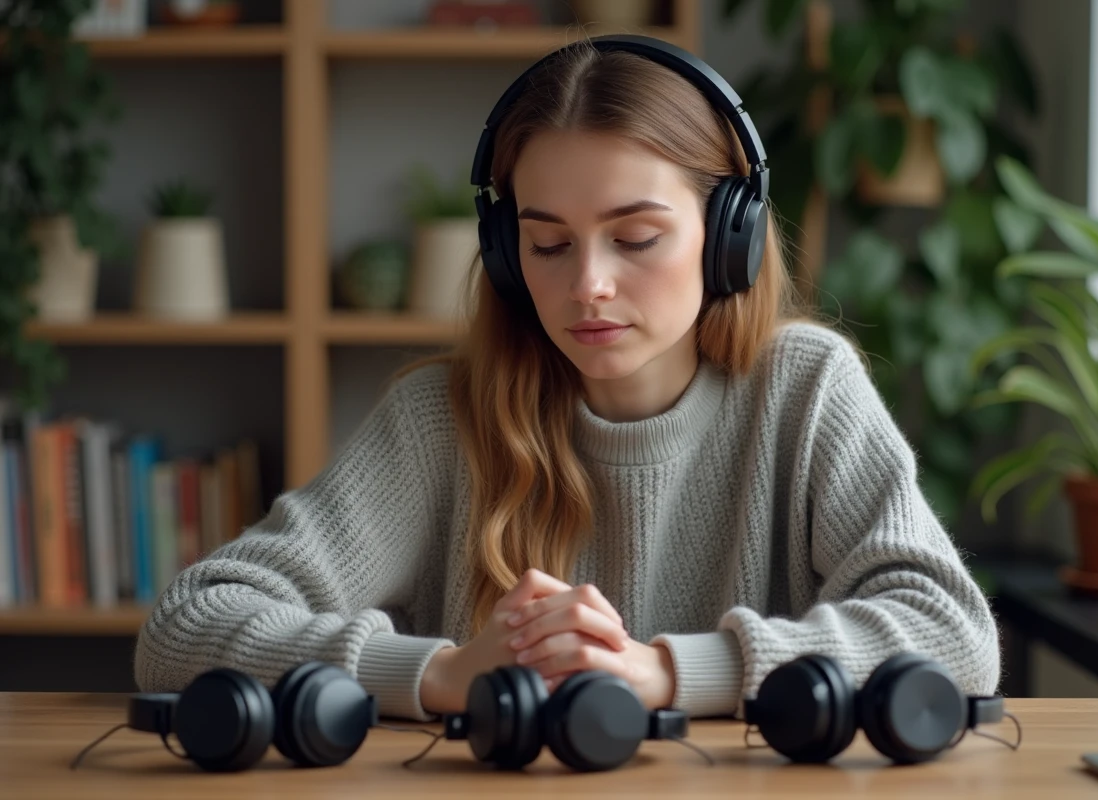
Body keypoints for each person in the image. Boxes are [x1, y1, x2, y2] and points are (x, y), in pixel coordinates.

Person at [134, 36, 1000, 723]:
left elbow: (954, 636)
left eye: (635, 237)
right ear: (509, 257)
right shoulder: (442, 416)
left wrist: (662, 672)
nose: (586, 283)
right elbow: (186, 626)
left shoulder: (806, 390)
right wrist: (440, 674)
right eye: (547, 244)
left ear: (728, 236)